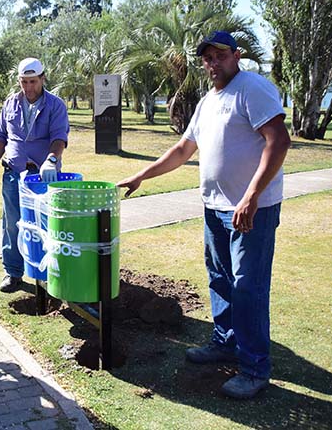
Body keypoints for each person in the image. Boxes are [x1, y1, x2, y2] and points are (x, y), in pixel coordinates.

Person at [117, 31, 291, 399]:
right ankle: (225, 342)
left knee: (248, 288)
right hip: (215, 206)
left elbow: (279, 141)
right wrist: (142, 176)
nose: (213, 63)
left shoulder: (251, 89)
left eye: (220, 56)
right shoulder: (208, 101)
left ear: (236, 55)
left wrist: (251, 196)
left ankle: (254, 368)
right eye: (208, 58)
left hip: (250, 209)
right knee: (221, 279)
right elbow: (183, 149)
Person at [0, 57, 70, 293]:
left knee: (46, 225)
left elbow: (59, 138)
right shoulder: (10, 104)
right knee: (12, 224)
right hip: (14, 173)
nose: (28, 87)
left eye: (33, 81)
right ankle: (13, 272)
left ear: (43, 79)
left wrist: (51, 160)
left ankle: (48, 273)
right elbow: (1, 136)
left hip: (44, 176)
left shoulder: (55, 105)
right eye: (24, 82)